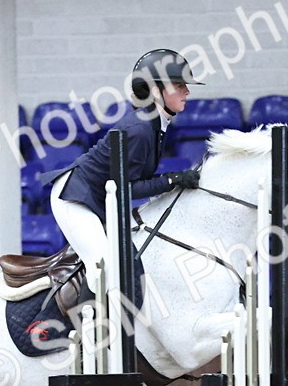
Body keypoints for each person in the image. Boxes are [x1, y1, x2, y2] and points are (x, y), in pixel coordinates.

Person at [43, 49, 203, 269]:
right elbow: (126, 188)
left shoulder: (155, 124)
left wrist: (171, 180)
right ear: (156, 91)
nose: (187, 92)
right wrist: (171, 180)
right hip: (75, 198)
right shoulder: (141, 129)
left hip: (98, 199)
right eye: (179, 86)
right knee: (104, 267)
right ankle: (87, 306)